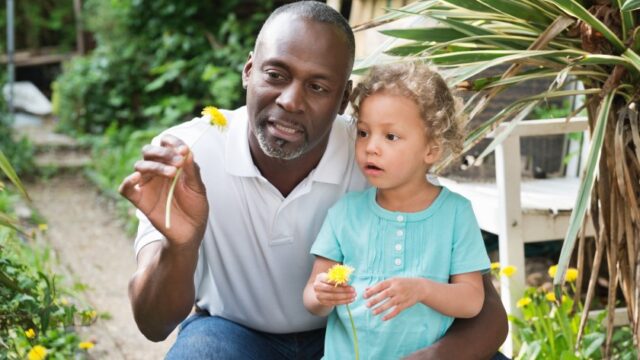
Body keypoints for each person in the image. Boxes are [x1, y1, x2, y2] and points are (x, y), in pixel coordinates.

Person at [118, 2, 508, 359]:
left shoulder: (376, 153)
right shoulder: (190, 155)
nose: (291, 100)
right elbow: (153, 325)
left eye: (318, 86)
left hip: (359, 339)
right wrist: (180, 247)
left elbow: (486, 314)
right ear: (249, 70)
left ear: (343, 100)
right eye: (275, 74)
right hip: (235, 337)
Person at [303, 62, 491, 359]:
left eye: (390, 137)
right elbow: (313, 297)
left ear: (431, 149)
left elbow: (471, 300)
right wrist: (322, 293)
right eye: (364, 133)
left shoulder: (456, 213)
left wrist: (422, 290)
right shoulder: (344, 213)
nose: (371, 147)